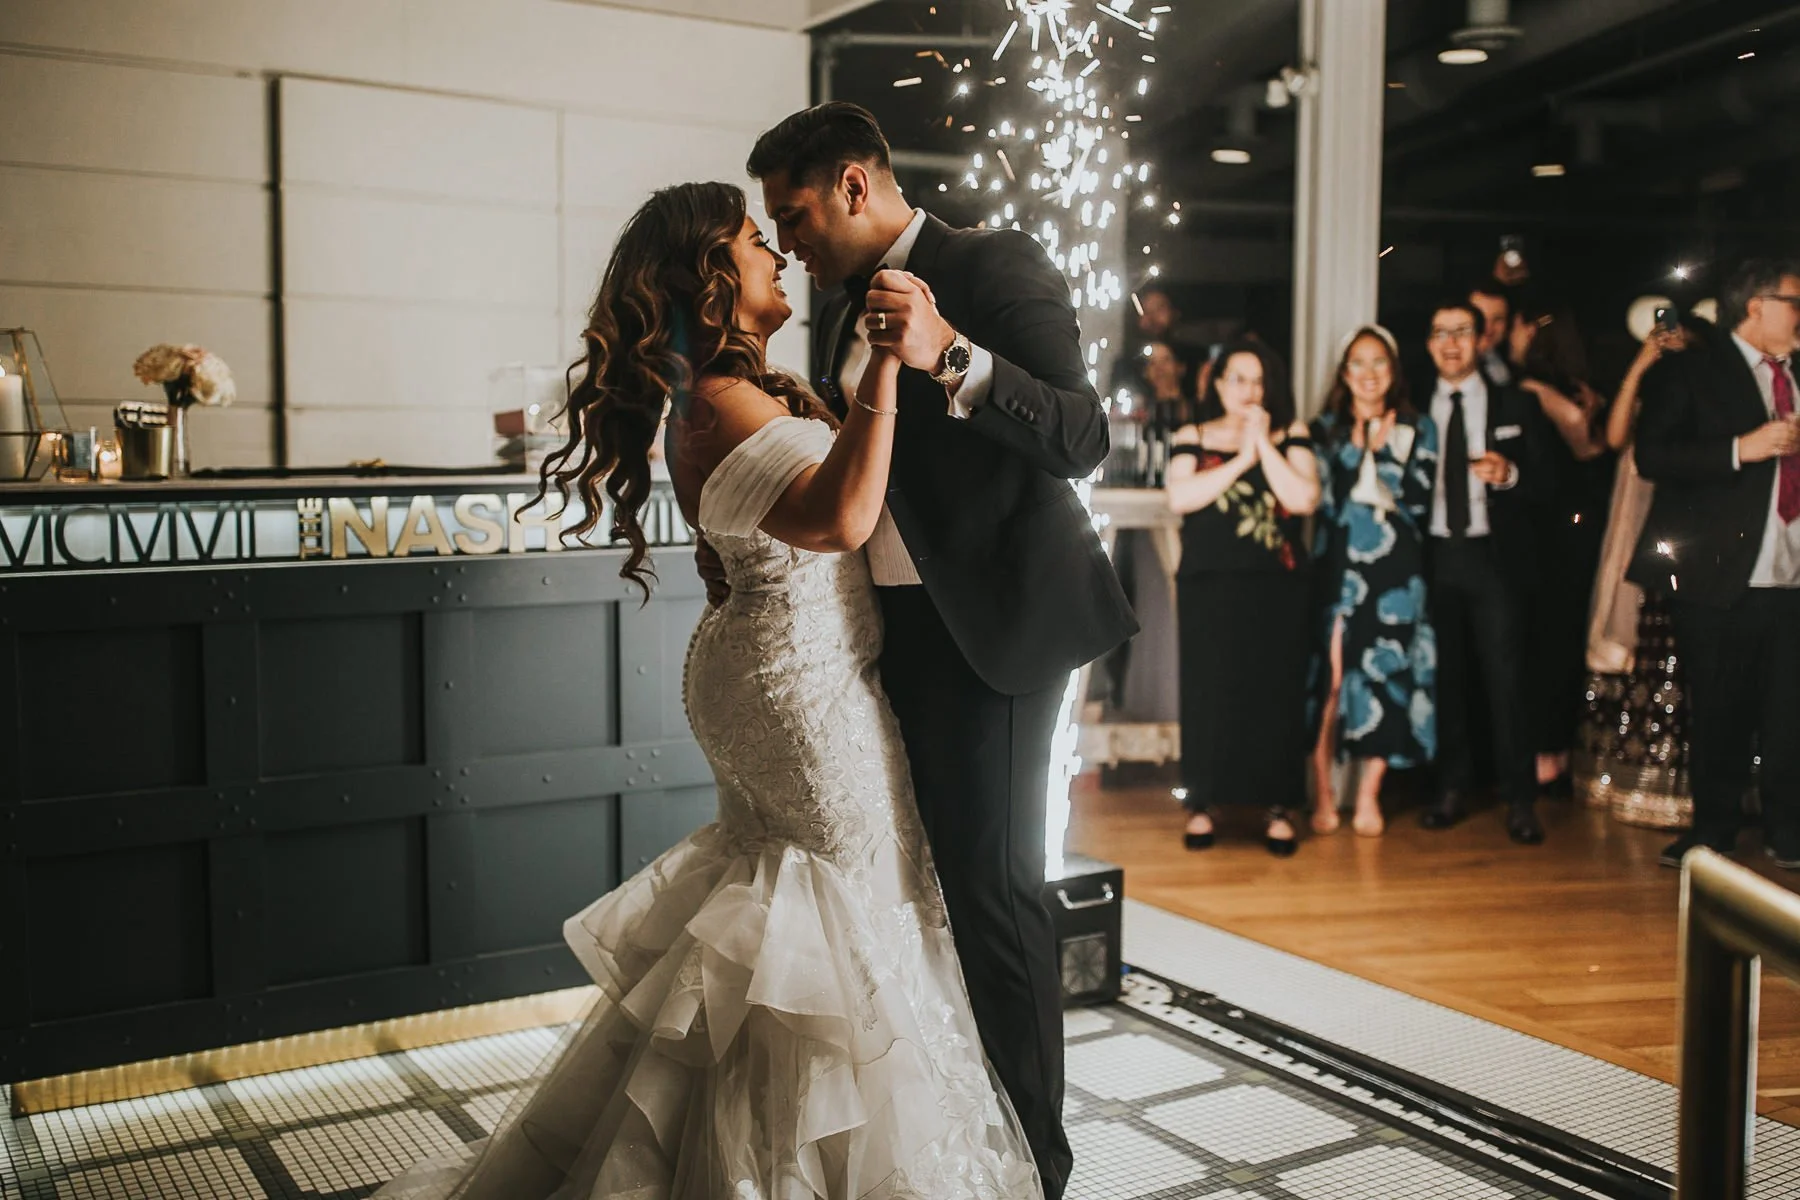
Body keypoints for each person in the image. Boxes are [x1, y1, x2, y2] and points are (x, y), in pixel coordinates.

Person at [372, 183, 1041, 1199]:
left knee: (817, 912)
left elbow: (753, 535)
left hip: (786, 671)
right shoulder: (724, 400)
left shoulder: (732, 390)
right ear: (710, 278)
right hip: (800, 695)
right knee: (836, 916)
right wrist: (883, 377)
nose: (774, 253)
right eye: (751, 241)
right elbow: (841, 520)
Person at [749, 102, 1137, 1198]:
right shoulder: (833, 313)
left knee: (995, 891)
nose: (790, 241)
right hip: (895, 635)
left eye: (798, 213)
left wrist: (952, 355)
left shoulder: (992, 261)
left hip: (1001, 630)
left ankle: (1040, 1169)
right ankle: (966, 1138)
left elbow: (1082, 432)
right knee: (928, 889)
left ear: (857, 186)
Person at [1635, 259, 1800, 869]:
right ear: (1756, 306)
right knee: (1722, 708)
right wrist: (1742, 449)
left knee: (1791, 714)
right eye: (1794, 302)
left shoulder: (1797, 373)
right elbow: (1652, 454)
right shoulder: (1693, 369)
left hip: (1792, 569)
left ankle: (1790, 834)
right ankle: (1714, 833)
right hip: (1719, 573)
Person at [1166, 339, 1320, 855]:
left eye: (1257, 381)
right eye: (1238, 379)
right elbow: (1181, 497)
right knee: (1209, 692)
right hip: (1209, 582)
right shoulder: (1194, 434)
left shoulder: (1292, 432)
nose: (1248, 391)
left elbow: (1302, 499)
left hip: (1277, 585)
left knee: (1275, 694)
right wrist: (1241, 460)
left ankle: (1278, 808)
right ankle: (1203, 805)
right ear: (1218, 383)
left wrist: (1265, 448)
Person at [1419, 300, 1548, 845]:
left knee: (1506, 680)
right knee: (1444, 677)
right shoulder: (1412, 407)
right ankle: (1450, 787)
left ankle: (1520, 799)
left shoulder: (1514, 402)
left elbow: (1548, 479)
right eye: (1441, 332)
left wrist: (1511, 472)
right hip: (1431, 555)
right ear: (1428, 343)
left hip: (1492, 557)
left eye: (1462, 332)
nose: (1451, 342)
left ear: (1480, 341)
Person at [1308, 326, 1439, 838]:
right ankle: (1322, 793)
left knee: (1386, 678)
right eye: (1357, 364)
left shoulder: (1416, 427)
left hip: (1396, 573)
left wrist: (1383, 454)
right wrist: (1359, 447)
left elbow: (1422, 502)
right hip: (1339, 569)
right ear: (1344, 374)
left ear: (1393, 370)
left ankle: (1367, 796)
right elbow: (1321, 502)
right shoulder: (1327, 430)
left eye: (1378, 362)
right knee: (1333, 682)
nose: (1368, 373)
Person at [1576, 321, 1696, 830]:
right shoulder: (1647, 396)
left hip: (1678, 538)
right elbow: (1613, 435)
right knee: (1632, 651)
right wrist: (1642, 362)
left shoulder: (1701, 405)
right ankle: (1622, 778)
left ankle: (1674, 788)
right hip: (1633, 530)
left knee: (1669, 657)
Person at [1509, 301, 1611, 797]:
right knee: (1557, 639)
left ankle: (1549, 756)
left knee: (1552, 639)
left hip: (1559, 529)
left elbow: (1588, 446)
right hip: (1569, 525)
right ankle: (1553, 752)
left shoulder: (1539, 390)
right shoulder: (1574, 391)